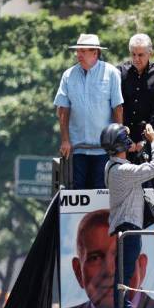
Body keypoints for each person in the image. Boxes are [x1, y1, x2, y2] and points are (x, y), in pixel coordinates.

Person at [100, 122, 154, 308]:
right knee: (125, 272)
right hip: (128, 227)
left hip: (124, 226)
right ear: (122, 144)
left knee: (125, 272)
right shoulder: (123, 171)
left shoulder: (111, 166)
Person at [61, 209, 154, 308]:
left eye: (122, 255)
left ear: (142, 267)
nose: (110, 270)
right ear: (78, 272)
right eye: (95, 258)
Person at [54, 33, 124, 190]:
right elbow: (63, 109)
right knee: (78, 193)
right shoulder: (68, 75)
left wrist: (119, 144)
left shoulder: (111, 73)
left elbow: (117, 108)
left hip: (103, 150)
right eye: (78, 51)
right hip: (77, 149)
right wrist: (65, 140)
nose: (78, 55)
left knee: (100, 193)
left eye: (83, 51)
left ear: (95, 52)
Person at [117, 34, 154, 154]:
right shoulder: (119, 71)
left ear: (150, 53)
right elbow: (117, 106)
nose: (136, 59)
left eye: (140, 55)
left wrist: (145, 141)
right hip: (124, 136)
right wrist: (125, 139)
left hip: (148, 135)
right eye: (133, 54)